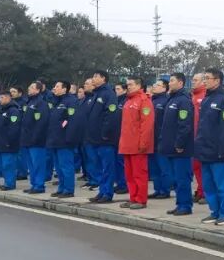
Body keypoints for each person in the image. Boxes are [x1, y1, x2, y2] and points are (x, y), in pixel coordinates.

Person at [194, 68, 224, 226]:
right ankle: (215, 211)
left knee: (222, 185)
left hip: (219, 151)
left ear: (217, 80)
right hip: (205, 149)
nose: (204, 81)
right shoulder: (207, 98)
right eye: (204, 78)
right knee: (209, 185)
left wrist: (223, 149)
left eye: (207, 78)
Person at [159, 73, 195, 216]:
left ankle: (185, 206)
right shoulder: (171, 99)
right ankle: (180, 204)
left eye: (172, 81)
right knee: (175, 179)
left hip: (180, 149)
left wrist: (180, 144)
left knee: (182, 179)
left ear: (180, 83)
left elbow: (184, 125)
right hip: (170, 147)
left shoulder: (183, 101)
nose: (170, 83)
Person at [118, 76, 155, 209]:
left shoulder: (144, 101)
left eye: (131, 84)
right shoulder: (128, 101)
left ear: (139, 86)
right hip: (127, 144)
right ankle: (133, 197)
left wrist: (143, 143)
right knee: (129, 175)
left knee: (139, 174)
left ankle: (141, 199)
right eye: (127, 84)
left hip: (138, 145)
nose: (128, 87)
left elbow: (147, 124)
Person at [85, 71, 121, 204]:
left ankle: (107, 193)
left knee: (107, 168)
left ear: (103, 79)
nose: (93, 79)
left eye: (96, 76)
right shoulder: (96, 94)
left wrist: (105, 133)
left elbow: (111, 115)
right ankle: (101, 191)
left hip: (105, 139)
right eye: (93, 76)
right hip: (94, 138)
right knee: (99, 167)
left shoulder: (108, 94)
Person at [46, 80, 80, 198]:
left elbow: (72, 120)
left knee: (66, 166)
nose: (54, 88)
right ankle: (61, 188)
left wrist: (69, 137)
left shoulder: (71, 101)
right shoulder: (56, 101)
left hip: (64, 140)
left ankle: (68, 190)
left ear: (64, 89)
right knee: (59, 167)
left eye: (57, 86)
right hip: (54, 139)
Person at [19, 81, 49, 194]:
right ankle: (34, 184)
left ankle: (39, 185)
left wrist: (35, 137)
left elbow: (41, 123)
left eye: (32, 87)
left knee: (38, 164)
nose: (29, 88)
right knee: (31, 165)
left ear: (38, 90)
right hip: (27, 139)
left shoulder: (41, 103)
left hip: (36, 140)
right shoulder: (29, 102)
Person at [149, 79, 173, 200]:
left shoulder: (166, 101)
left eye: (158, 85)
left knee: (164, 168)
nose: (154, 86)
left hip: (161, 139)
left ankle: (165, 190)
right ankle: (157, 189)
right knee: (154, 169)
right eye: (154, 84)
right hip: (151, 139)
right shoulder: (151, 100)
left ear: (164, 88)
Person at [0, 91, 23, 191]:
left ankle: (10, 184)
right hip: (1, 142)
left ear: (8, 98)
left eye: (2, 98)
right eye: (0, 98)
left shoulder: (13, 111)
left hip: (8, 144)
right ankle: (6, 182)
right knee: (3, 165)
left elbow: (14, 128)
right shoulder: (2, 110)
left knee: (8, 165)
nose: (0, 100)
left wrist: (9, 141)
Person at [190, 73, 208, 204]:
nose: (193, 82)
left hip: (202, 137)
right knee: (196, 167)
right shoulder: (193, 96)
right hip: (193, 137)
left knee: (202, 167)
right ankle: (200, 190)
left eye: (196, 80)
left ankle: (205, 192)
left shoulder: (205, 96)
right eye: (193, 80)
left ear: (203, 82)